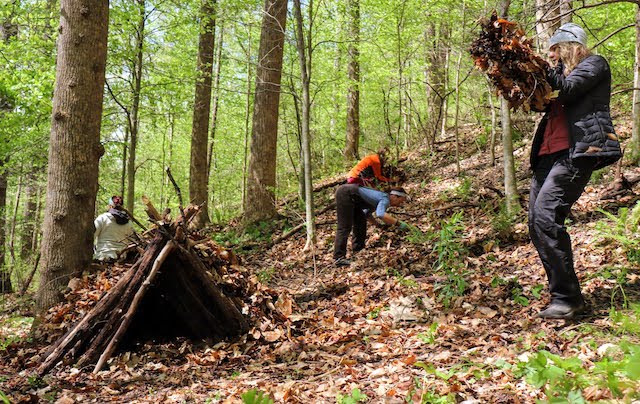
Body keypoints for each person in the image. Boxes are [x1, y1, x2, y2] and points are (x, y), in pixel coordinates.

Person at [529, 23, 622, 319]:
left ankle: (568, 300)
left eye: (556, 49)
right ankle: (562, 294)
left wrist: (545, 67)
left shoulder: (594, 64)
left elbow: (566, 90)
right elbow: (543, 100)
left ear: (570, 46)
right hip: (546, 155)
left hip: (576, 152)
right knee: (536, 223)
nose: (552, 54)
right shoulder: (558, 73)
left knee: (546, 216)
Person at [333, 184, 411, 267]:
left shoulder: (379, 198)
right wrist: (399, 223)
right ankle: (339, 257)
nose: (399, 205)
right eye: (401, 201)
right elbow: (380, 214)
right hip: (346, 193)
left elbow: (367, 214)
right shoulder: (385, 198)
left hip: (352, 198)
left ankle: (358, 249)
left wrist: (378, 225)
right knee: (344, 226)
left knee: (361, 221)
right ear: (395, 196)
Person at [94, 195, 135, 262]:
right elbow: (132, 241)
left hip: (103, 257)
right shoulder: (128, 222)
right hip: (122, 259)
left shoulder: (102, 218)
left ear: (110, 205)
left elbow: (91, 236)